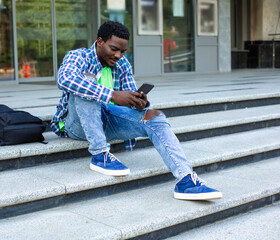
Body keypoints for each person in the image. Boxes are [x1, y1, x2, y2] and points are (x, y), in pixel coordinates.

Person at [51, 21, 222, 201]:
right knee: (86, 84)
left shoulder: (122, 64)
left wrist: (138, 103)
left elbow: (129, 95)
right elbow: (65, 79)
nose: (118, 55)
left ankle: (186, 180)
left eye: (122, 51)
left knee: (155, 116)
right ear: (100, 41)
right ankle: (100, 155)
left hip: (107, 121)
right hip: (76, 124)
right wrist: (112, 95)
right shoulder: (78, 56)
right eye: (114, 49)